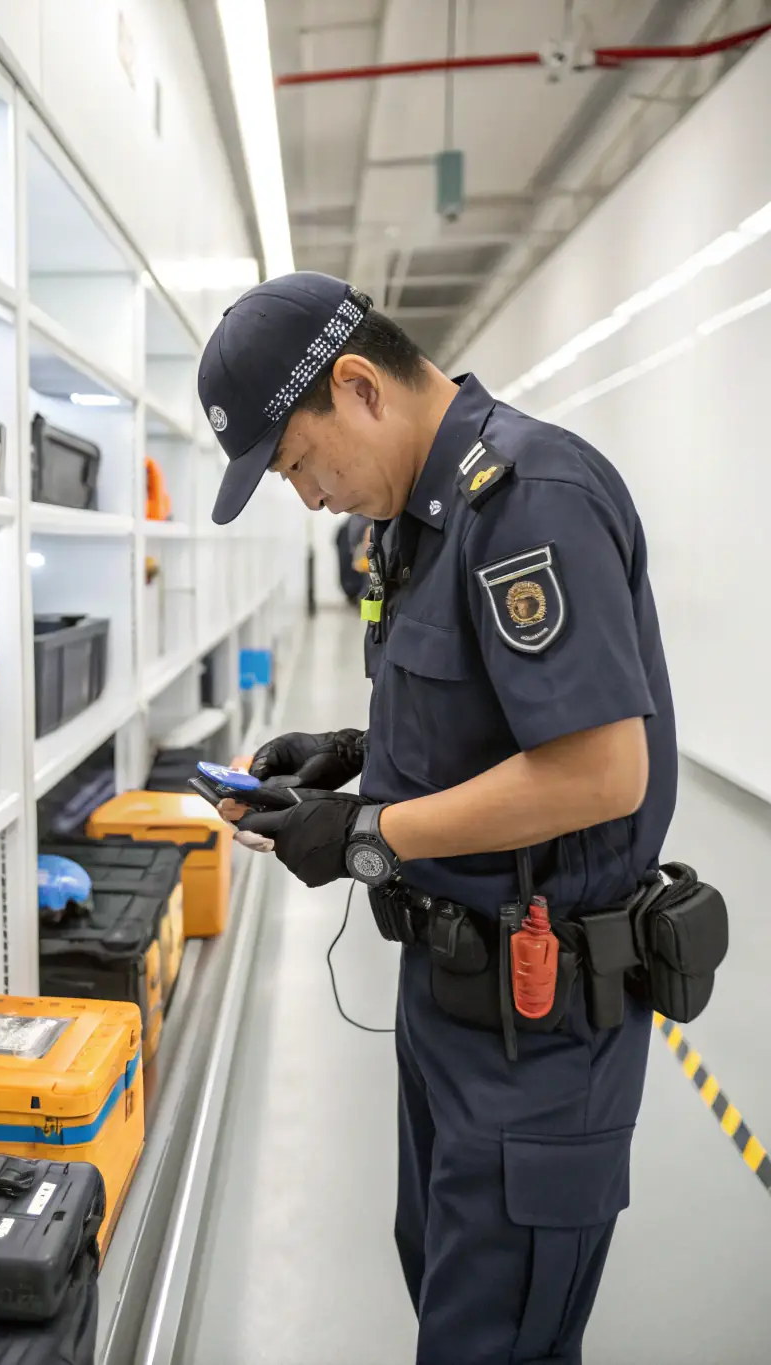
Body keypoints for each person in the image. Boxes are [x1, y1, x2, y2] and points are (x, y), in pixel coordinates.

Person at [196, 272, 676, 1365]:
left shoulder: (529, 496)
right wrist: (354, 758)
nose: (309, 498)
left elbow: (602, 771)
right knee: (446, 1290)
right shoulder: (423, 519)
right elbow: (486, 714)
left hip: (538, 1022)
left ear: (357, 387)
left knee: (490, 1339)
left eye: (300, 465)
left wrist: (368, 834)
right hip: (450, 1004)